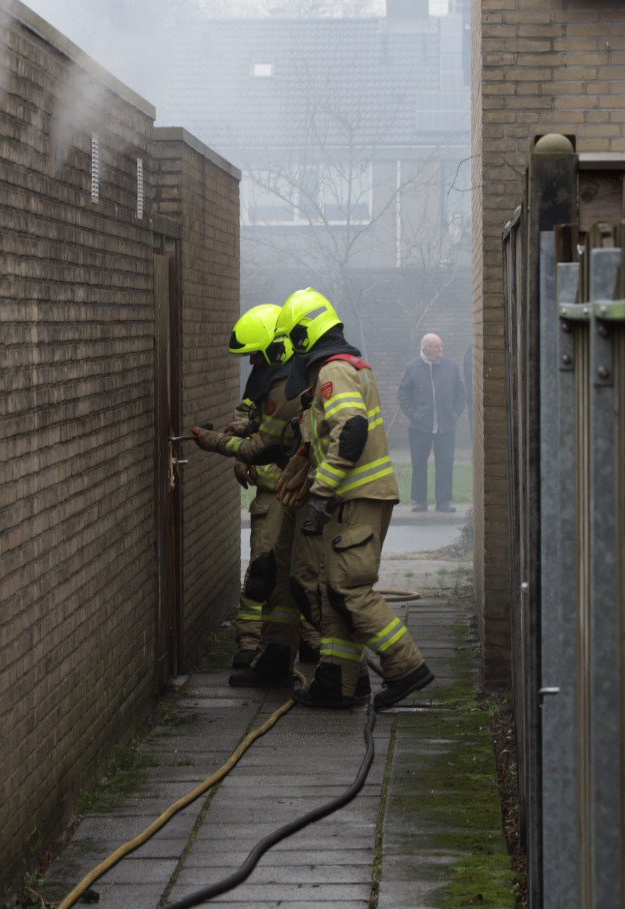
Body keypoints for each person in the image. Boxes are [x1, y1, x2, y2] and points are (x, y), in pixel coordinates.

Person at [271, 288, 433, 710]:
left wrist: (321, 492)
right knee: (334, 589)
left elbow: (352, 428)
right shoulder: (347, 366)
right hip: (360, 496)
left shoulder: (333, 371)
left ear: (303, 336)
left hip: (356, 495)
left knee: (350, 588)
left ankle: (406, 665)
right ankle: (339, 681)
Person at [188, 305, 314, 686]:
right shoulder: (274, 382)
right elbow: (258, 419)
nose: (252, 364)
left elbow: (263, 445)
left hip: (293, 489)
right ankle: (263, 649)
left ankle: (316, 649)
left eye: (256, 355)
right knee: (271, 573)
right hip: (278, 489)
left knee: (293, 574)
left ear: (276, 349)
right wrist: (244, 429)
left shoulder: (288, 388)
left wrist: (218, 442)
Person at [397, 333, 466, 512]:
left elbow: (461, 392)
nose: (441, 349)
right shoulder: (412, 368)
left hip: (446, 426)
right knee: (419, 463)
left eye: (441, 346)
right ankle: (420, 501)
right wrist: (415, 415)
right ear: (425, 348)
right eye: (437, 346)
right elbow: (403, 395)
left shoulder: (451, 367)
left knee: (445, 463)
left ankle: (443, 502)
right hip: (419, 427)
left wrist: (454, 414)